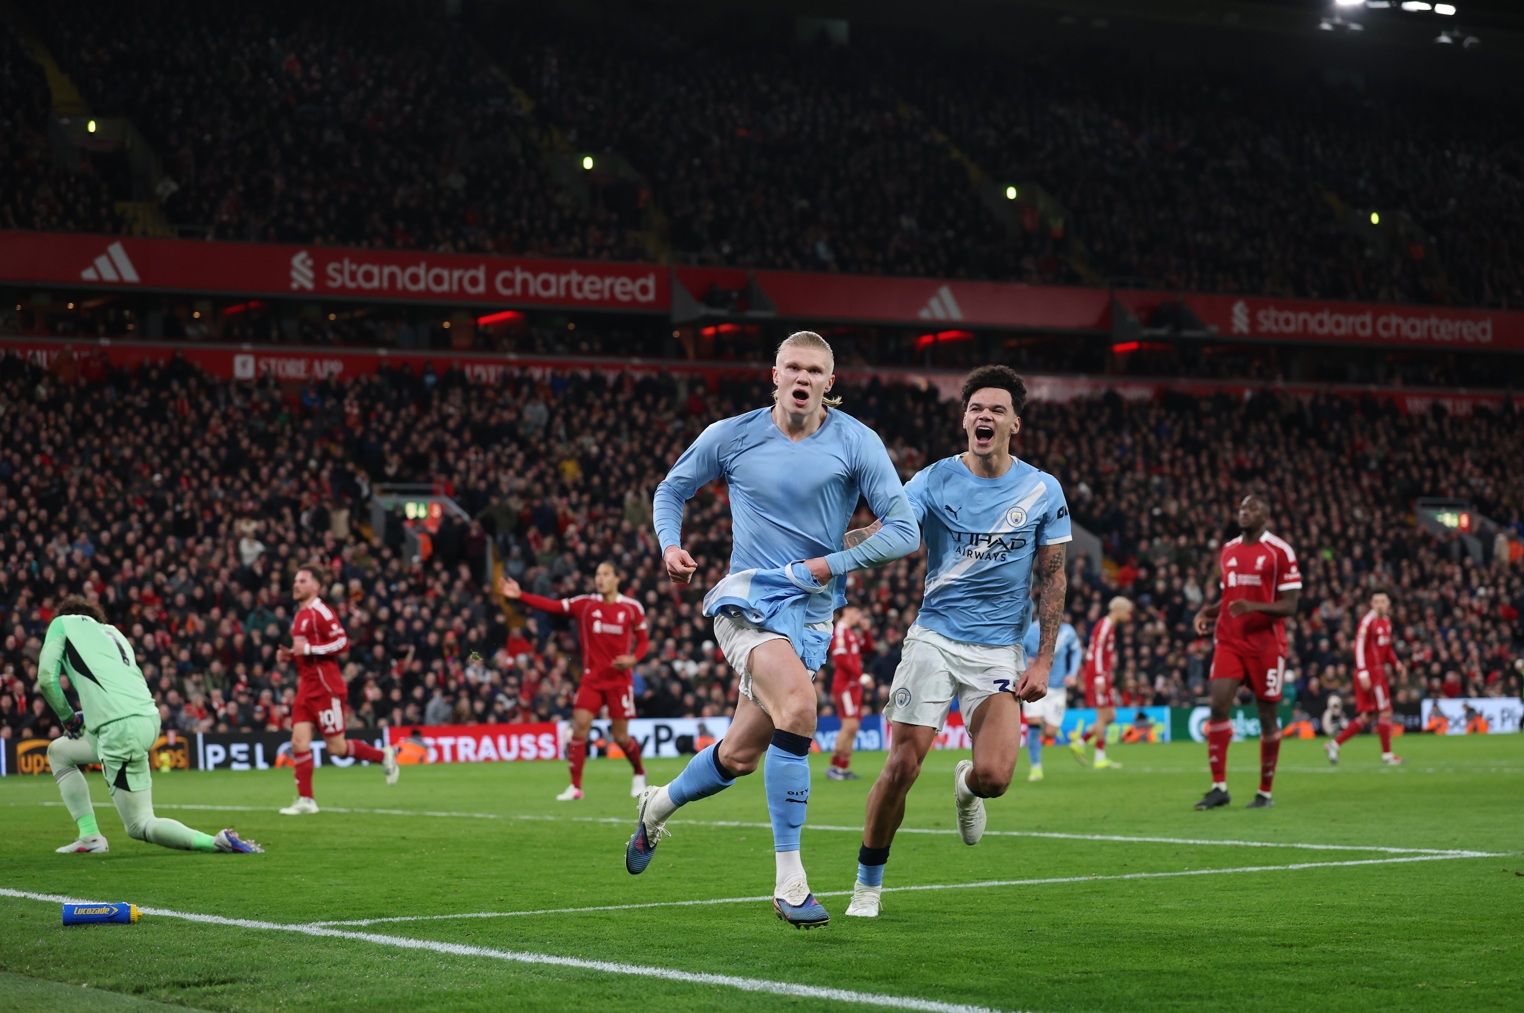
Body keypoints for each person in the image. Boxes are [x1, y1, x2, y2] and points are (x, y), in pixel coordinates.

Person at [625, 330, 919, 929]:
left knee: (738, 756)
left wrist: (830, 565)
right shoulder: (732, 435)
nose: (802, 378)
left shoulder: (857, 441)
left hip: (812, 614)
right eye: (793, 367)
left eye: (814, 370)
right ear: (775, 375)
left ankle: (656, 805)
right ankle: (790, 880)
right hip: (749, 601)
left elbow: (905, 530)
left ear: (829, 383)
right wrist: (670, 544)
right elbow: (672, 488)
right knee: (802, 708)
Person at [845, 364, 1071, 918]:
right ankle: (867, 887)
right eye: (975, 408)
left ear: (1014, 423)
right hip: (935, 638)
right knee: (902, 766)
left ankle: (966, 786)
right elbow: (890, 533)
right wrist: (840, 545)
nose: (984, 416)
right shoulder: (933, 479)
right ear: (964, 419)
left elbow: (1053, 577)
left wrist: (1043, 660)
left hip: (998, 650)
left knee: (994, 778)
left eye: (996, 409)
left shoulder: (1043, 489)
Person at [38, 597, 262, 855]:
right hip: (146, 718)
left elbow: (46, 679)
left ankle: (215, 841)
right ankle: (89, 836)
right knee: (59, 752)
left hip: (119, 728)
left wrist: (67, 718)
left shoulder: (62, 624)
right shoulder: (113, 633)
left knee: (139, 825)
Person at [500, 560, 650, 800]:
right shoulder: (585, 604)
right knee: (579, 729)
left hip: (619, 682)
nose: (600, 578)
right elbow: (552, 606)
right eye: (597, 574)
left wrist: (633, 659)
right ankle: (575, 787)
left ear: (616, 579)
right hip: (592, 680)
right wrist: (521, 596)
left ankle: (639, 773)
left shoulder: (632, 608)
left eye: (605, 574)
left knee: (621, 737)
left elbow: (643, 641)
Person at [1192, 494, 1301, 810]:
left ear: (1265, 516)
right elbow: (1230, 598)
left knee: (1267, 718)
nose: (1244, 513)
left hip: (1266, 646)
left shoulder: (1279, 552)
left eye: (1251, 509)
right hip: (1229, 640)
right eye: (1241, 508)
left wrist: (1255, 606)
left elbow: (1291, 605)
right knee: (1218, 705)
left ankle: (1264, 792)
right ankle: (1219, 787)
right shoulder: (1228, 550)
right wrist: (1207, 613)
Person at [277, 563, 397, 815]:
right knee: (298, 742)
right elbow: (305, 652)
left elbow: (342, 642)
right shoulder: (299, 615)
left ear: (316, 586)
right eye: (296, 580)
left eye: (302, 581)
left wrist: (308, 649)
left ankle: (383, 756)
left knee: (336, 748)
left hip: (326, 688)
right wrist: (291, 656)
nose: (296, 585)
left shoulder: (321, 611)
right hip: (306, 687)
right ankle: (307, 800)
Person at [1326, 589, 1406, 766]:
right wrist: (1363, 672)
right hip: (1370, 673)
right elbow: (1359, 647)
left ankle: (1334, 744)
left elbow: (1387, 648)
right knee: (1385, 711)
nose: (1380, 605)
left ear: (1388, 603)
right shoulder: (1367, 621)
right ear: (1371, 604)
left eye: (1383, 601)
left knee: (1368, 715)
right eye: (1376, 601)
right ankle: (1387, 755)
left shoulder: (1386, 621)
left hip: (1377, 672)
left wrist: (1397, 664)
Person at [1070, 597, 1133, 770]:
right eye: (1128, 612)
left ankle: (1080, 743)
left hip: (1102, 673)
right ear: (1119, 610)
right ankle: (1100, 757)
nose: (1129, 616)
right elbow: (1097, 651)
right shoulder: (1105, 625)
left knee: (1110, 716)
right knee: (1102, 716)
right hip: (1097, 674)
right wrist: (1099, 676)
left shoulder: (1109, 626)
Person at [1020, 607, 1081, 782]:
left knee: (1050, 733)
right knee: (1033, 722)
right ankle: (1036, 767)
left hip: (1058, 688)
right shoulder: (1030, 631)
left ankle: (1053, 737)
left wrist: (1072, 674)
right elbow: (1019, 651)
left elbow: (1076, 651)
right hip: (1035, 684)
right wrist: (1025, 661)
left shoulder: (1067, 631)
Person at [826, 603, 871, 781]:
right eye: (856, 612)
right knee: (849, 725)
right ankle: (835, 767)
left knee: (854, 727)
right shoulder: (839, 631)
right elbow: (840, 659)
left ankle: (842, 768)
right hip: (844, 685)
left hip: (853, 685)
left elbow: (868, 648)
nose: (859, 616)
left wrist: (866, 631)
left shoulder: (851, 632)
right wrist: (861, 676)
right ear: (847, 611)